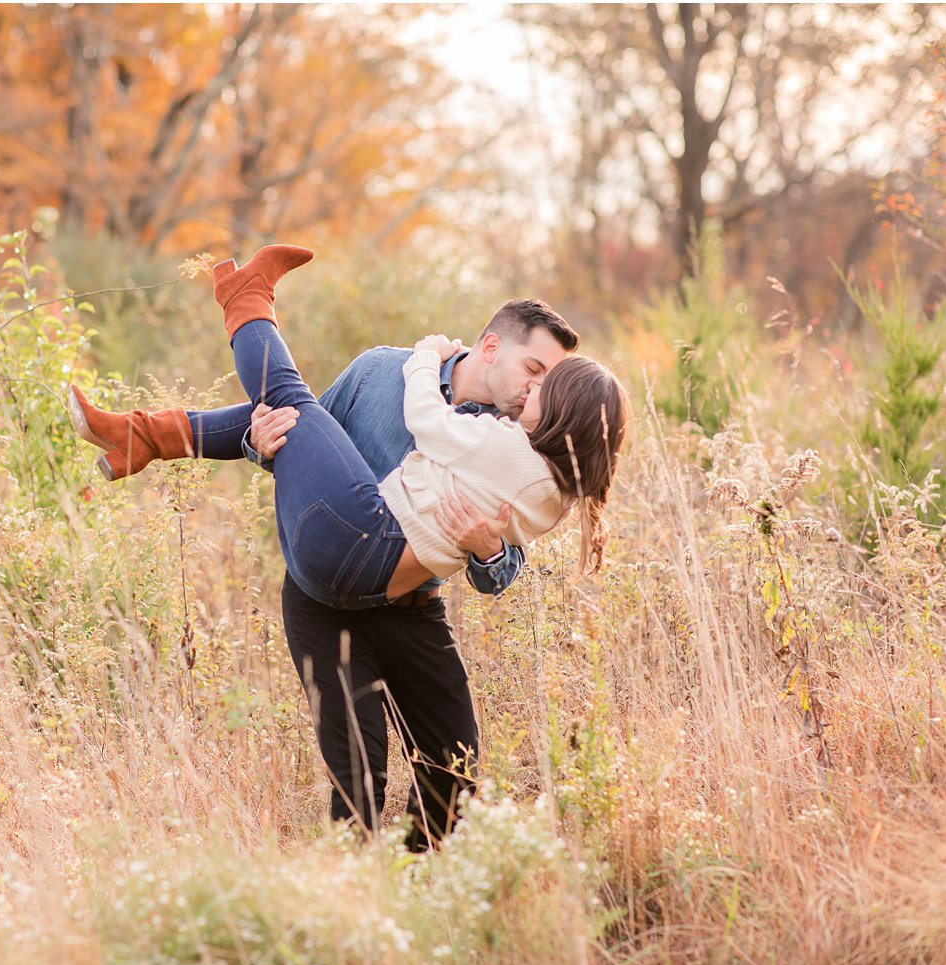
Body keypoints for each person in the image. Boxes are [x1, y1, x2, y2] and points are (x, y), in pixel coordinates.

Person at [70, 245, 627, 848]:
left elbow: (503, 571)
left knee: (454, 765)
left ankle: (418, 881)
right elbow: (306, 449)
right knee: (358, 777)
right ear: (492, 347)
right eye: (535, 370)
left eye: (551, 382)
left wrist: (488, 550)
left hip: (410, 603)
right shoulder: (379, 374)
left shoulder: (519, 443)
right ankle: (356, 898)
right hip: (328, 595)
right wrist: (261, 442)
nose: (535, 390)